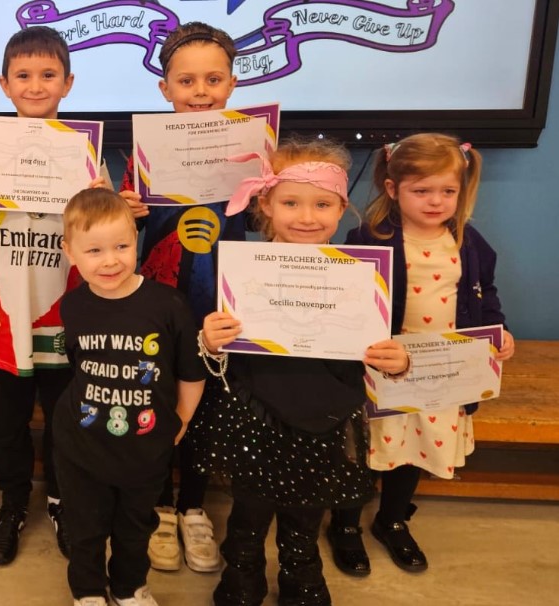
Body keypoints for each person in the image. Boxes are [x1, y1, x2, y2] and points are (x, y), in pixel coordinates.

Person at [193, 139, 413, 605]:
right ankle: (243, 574)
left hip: (326, 415)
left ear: (341, 208)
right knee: (249, 512)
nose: (306, 217)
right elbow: (221, 359)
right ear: (265, 204)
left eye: (322, 204)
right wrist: (209, 340)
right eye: (291, 202)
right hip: (256, 414)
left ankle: (301, 570)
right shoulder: (242, 272)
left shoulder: (361, 276)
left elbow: (380, 347)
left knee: (307, 512)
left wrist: (398, 362)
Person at [327, 133, 516, 576]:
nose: (436, 201)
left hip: (440, 373)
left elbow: (484, 293)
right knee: (367, 448)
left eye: (448, 191)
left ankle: (392, 520)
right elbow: (351, 302)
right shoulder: (368, 238)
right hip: (382, 368)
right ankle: (346, 524)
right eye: (422, 190)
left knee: (414, 447)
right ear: (393, 189)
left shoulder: (469, 242)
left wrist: (499, 330)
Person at [0, 25, 101, 566]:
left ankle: (60, 501)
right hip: (5, 316)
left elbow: (104, 232)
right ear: (4, 85)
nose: (35, 85)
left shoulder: (87, 154)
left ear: (68, 83)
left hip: (65, 315)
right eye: (23, 75)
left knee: (65, 421)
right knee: (7, 423)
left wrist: (111, 205)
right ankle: (12, 503)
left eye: (48, 75)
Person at [117, 20, 243, 574]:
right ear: (164, 88)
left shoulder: (250, 152)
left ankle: (193, 504)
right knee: (158, 399)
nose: (200, 92)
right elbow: (121, 232)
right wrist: (126, 210)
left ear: (232, 84)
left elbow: (269, 219)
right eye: (186, 81)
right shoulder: (144, 155)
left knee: (207, 407)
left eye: (213, 79)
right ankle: (160, 506)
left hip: (219, 303)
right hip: (159, 302)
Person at [54, 188, 206, 606]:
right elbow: (78, 365)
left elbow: (191, 372)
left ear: (136, 240)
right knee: (85, 528)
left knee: (136, 527)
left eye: (121, 246)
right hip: (81, 446)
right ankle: (87, 590)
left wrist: (181, 420)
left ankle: (128, 587)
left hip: (144, 446)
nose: (110, 261)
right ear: (70, 252)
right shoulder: (73, 305)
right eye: (94, 250)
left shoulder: (168, 305)